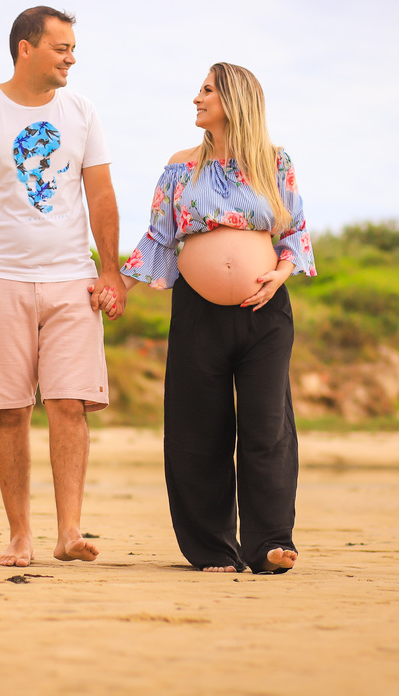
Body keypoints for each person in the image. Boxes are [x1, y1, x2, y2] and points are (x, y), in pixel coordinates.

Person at [99, 62, 316, 574]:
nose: (196, 99)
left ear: (234, 100)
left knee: (267, 427)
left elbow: (294, 232)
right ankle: (212, 547)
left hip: (264, 313)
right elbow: (159, 237)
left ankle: (268, 544)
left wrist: (280, 275)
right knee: (199, 430)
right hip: (198, 313)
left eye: (207, 90)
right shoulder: (180, 166)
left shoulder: (274, 162)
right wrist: (118, 286)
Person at [0, 6, 126, 567]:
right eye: (61, 47)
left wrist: (108, 268)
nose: (71, 58)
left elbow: (102, 196)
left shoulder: (82, 111)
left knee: (70, 405)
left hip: (71, 280)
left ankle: (69, 534)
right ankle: (20, 536)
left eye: (73, 49)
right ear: (25, 48)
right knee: (10, 411)